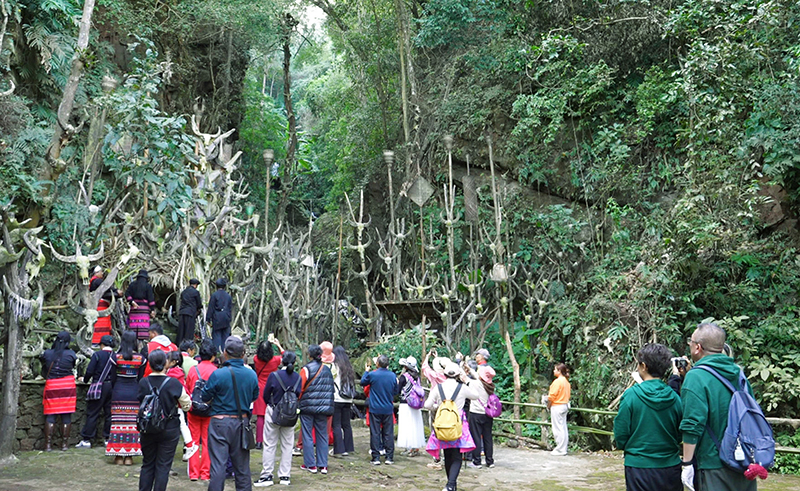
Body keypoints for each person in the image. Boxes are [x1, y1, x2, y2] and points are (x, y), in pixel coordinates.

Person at [680, 322, 757, 491]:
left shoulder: (696, 377)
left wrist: (686, 463)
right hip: (744, 460)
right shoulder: (738, 373)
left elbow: (692, 424)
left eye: (690, 342)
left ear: (698, 347)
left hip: (713, 463)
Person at [614, 343, 683, 491]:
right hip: (670, 465)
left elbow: (621, 433)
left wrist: (630, 448)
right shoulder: (675, 398)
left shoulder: (631, 395)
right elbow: (679, 432)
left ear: (643, 366)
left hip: (638, 466)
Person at [201, 336, 260, 491]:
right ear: (243, 354)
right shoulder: (252, 375)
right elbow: (254, 396)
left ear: (225, 353)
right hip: (242, 423)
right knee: (242, 469)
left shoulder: (218, 374)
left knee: (218, 467)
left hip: (219, 423)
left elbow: (205, 397)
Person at [137, 349, 192, 491]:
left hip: (147, 428)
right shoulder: (173, 383)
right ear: (166, 363)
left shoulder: (143, 382)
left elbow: (140, 401)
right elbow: (187, 404)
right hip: (169, 428)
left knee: (148, 463)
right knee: (163, 466)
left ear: (150, 363)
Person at [424, 362, 478, 491]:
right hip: (457, 424)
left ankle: (451, 485)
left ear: (445, 374)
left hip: (442, 424)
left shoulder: (438, 388)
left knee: (447, 454)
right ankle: (450, 485)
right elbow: (475, 396)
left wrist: (438, 406)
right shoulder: (462, 388)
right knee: (457, 456)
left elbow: (427, 405)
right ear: (458, 374)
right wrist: (467, 381)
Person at [255, 350, 302, 487]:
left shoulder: (274, 375)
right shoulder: (298, 378)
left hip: (274, 411)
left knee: (269, 443)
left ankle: (267, 475)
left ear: (281, 361)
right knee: (287, 445)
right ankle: (285, 475)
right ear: (294, 362)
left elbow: (265, 394)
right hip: (290, 414)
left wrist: (272, 404)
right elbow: (298, 394)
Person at [106, 330, 145, 465]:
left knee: (117, 424)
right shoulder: (141, 359)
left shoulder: (115, 357)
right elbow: (140, 379)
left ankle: (117, 456)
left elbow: (112, 378)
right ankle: (129, 457)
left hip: (118, 392)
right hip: (134, 393)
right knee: (132, 425)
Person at [298, 344, 335, 474]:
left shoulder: (306, 369)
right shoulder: (327, 370)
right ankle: (323, 465)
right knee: (322, 435)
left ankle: (310, 464)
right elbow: (330, 389)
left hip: (307, 407)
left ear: (309, 355)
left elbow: (300, 388)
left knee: (307, 435)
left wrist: (298, 401)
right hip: (324, 408)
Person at [76, 335, 116, 449]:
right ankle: (108, 439)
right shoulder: (116, 356)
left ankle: (87, 439)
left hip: (99, 386)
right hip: (111, 387)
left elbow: (89, 371)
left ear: (101, 345)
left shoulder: (97, 355)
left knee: (93, 413)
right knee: (109, 414)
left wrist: (84, 379)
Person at [185, 339, 218, 482]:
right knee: (207, 441)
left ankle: (193, 473)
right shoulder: (216, 372)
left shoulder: (193, 369)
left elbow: (188, 388)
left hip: (193, 409)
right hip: (210, 410)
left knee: (192, 440)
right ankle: (205, 473)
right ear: (213, 356)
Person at [41, 330, 78, 452]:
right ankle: (64, 444)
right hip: (67, 386)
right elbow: (72, 366)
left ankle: (48, 445)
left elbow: (44, 368)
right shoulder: (71, 354)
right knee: (66, 415)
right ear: (67, 343)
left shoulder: (47, 353)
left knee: (50, 415)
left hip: (52, 385)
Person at [361, 354, 398, 465]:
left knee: (375, 433)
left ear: (377, 364)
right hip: (387, 408)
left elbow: (363, 382)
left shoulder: (373, 374)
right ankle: (389, 457)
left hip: (375, 408)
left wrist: (366, 371)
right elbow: (396, 391)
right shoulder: (392, 376)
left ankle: (376, 457)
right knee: (388, 433)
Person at [166, 351, 198, 461]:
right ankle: (189, 445)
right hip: (178, 404)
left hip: (173, 404)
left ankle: (189, 444)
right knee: (182, 424)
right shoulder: (179, 372)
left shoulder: (172, 373)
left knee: (181, 425)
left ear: (174, 362)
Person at [253, 338, 284, 450]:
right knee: (272, 413)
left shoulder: (256, 359)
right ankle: (271, 439)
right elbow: (286, 357)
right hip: (273, 386)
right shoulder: (275, 360)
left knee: (260, 415)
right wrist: (278, 345)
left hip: (260, 387)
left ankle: (259, 442)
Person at [422, 351, 450, 470]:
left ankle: (437, 457)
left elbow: (424, 367)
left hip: (436, 406)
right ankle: (449, 456)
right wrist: (438, 358)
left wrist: (428, 356)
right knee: (449, 430)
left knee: (436, 431)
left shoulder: (433, 375)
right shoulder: (450, 376)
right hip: (450, 407)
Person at [466, 364, 496, 468]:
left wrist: (461, 366)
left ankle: (477, 461)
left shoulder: (475, 384)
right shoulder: (490, 385)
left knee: (476, 437)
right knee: (487, 437)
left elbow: (464, 378)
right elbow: (477, 376)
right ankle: (490, 461)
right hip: (488, 414)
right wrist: (469, 369)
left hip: (476, 413)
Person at [397, 356, 425, 458]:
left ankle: (408, 447)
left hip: (405, 403)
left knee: (406, 425)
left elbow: (397, 390)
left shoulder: (404, 377)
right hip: (415, 404)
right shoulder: (416, 377)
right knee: (414, 425)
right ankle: (414, 447)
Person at [330, 345, 355, 457]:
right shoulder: (349, 367)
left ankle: (339, 450)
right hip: (348, 399)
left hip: (337, 398)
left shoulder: (334, 367)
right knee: (346, 425)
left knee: (336, 425)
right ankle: (348, 447)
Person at [89, 266, 120, 346]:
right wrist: (116, 291)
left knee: (96, 323)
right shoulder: (97, 281)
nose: (102, 273)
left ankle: (95, 341)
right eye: (101, 272)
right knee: (102, 323)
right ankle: (101, 341)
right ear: (96, 273)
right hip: (101, 306)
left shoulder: (92, 281)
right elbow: (106, 286)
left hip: (95, 305)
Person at [547, 363, 571, 456]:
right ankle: (563, 448)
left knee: (558, 428)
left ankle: (560, 449)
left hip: (557, 405)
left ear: (559, 371)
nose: (554, 371)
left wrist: (548, 405)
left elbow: (551, 396)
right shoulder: (566, 382)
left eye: (555, 369)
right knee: (563, 428)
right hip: (564, 405)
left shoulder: (557, 382)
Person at [126, 269, 156, 341]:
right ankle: (142, 340)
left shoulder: (132, 285)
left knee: (133, 324)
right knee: (143, 325)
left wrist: (132, 302)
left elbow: (127, 294)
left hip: (134, 309)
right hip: (144, 309)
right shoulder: (147, 286)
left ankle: (132, 338)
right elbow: (151, 299)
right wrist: (152, 309)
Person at [207, 278, 233, 353]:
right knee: (225, 335)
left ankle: (217, 352)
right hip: (226, 317)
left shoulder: (214, 295)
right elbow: (230, 308)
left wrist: (208, 319)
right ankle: (225, 352)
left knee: (216, 335)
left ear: (216, 286)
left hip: (217, 317)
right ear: (225, 286)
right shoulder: (228, 296)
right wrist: (229, 318)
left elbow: (211, 307)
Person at [178, 278, 203, 346]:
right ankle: (188, 346)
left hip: (182, 312)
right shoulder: (196, 292)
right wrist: (199, 309)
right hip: (190, 313)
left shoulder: (184, 292)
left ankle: (179, 345)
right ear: (195, 285)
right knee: (189, 331)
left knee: (181, 331)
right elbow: (199, 304)